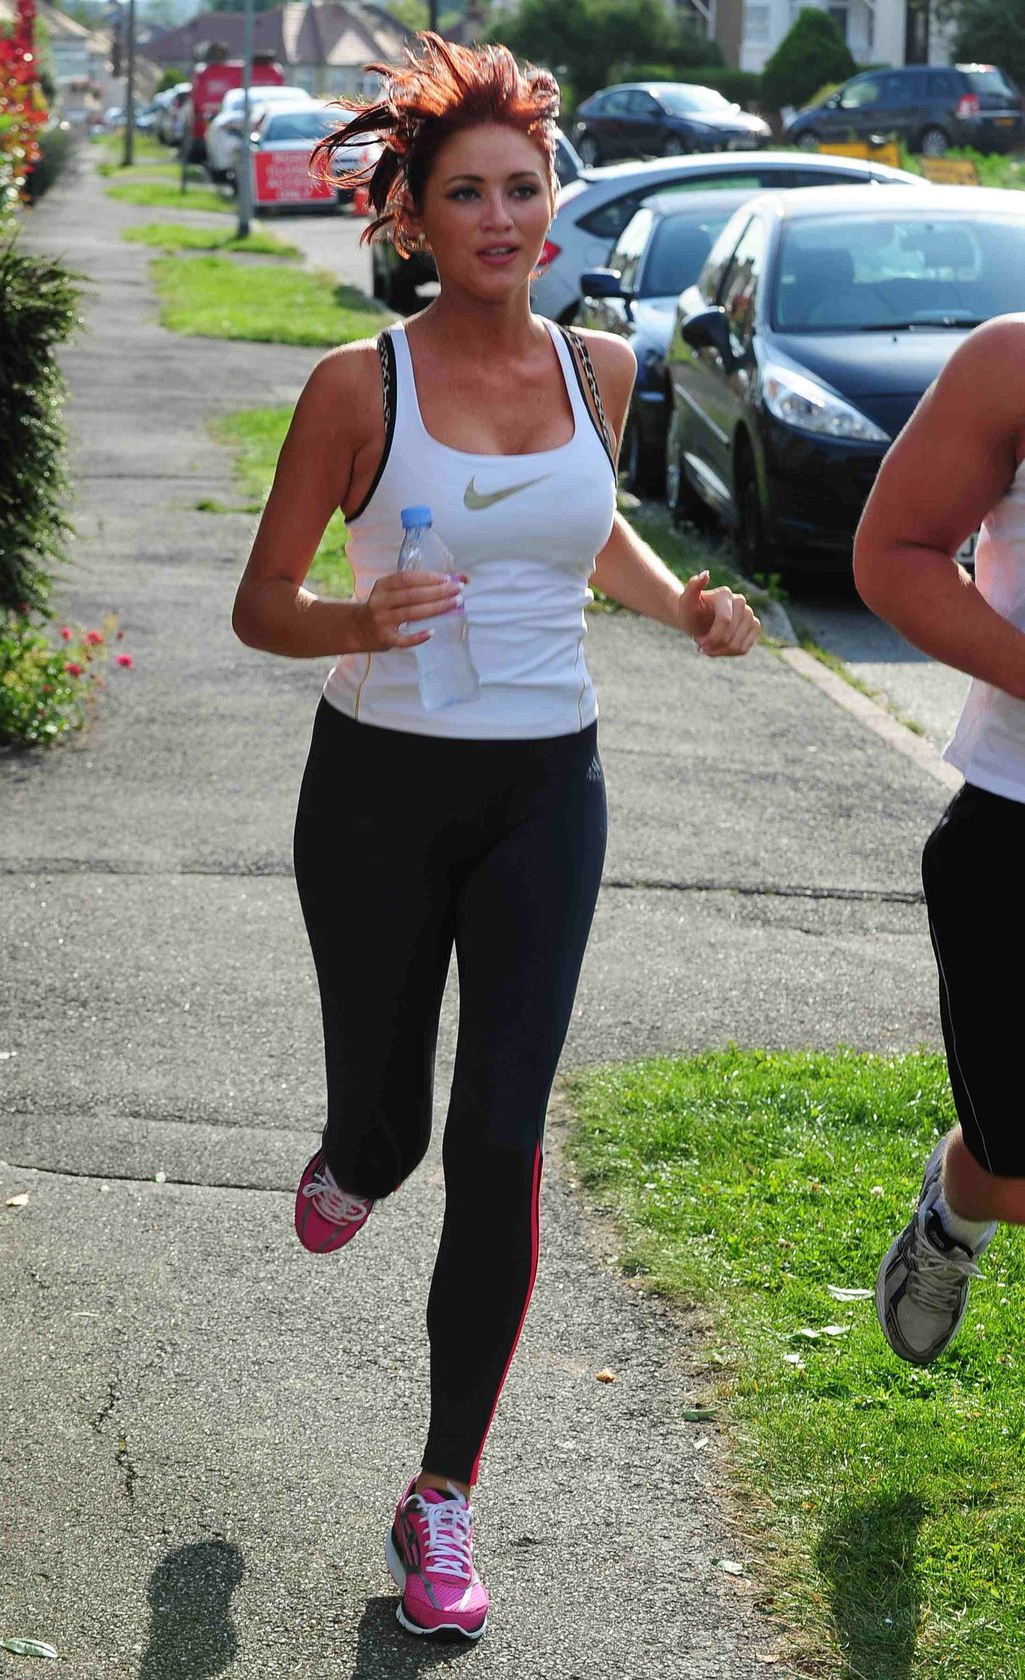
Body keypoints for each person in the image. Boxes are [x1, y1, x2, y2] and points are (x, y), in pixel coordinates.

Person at [232, 33, 760, 1642]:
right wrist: (354, 616)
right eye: (465, 193)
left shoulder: (599, 370)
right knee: (391, 1134)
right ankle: (348, 1158)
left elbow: (586, 523)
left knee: (502, 1140)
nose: (502, 217)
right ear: (410, 218)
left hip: (550, 791)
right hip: (378, 798)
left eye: (525, 189)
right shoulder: (356, 387)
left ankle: (441, 1496)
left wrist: (683, 602)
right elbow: (260, 608)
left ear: (555, 203)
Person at [854, 313, 1025, 1367]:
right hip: (1014, 823)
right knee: (1011, 1173)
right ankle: (955, 1211)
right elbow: (894, 552)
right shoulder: (1009, 361)